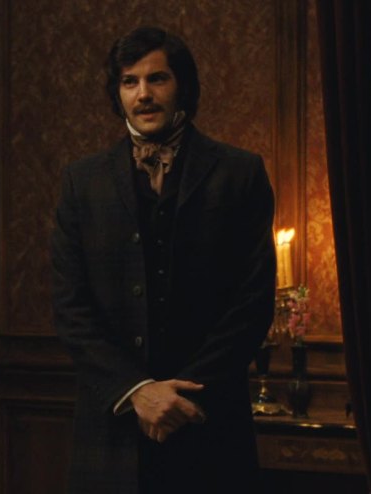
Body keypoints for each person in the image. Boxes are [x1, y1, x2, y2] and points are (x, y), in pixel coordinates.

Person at [51, 27, 276, 493]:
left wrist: (181, 395)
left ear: (183, 86)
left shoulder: (239, 173)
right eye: (129, 81)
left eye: (157, 78)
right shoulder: (81, 181)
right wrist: (137, 391)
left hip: (208, 423)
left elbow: (252, 302)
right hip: (112, 432)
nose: (143, 94)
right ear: (117, 93)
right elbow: (71, 308)